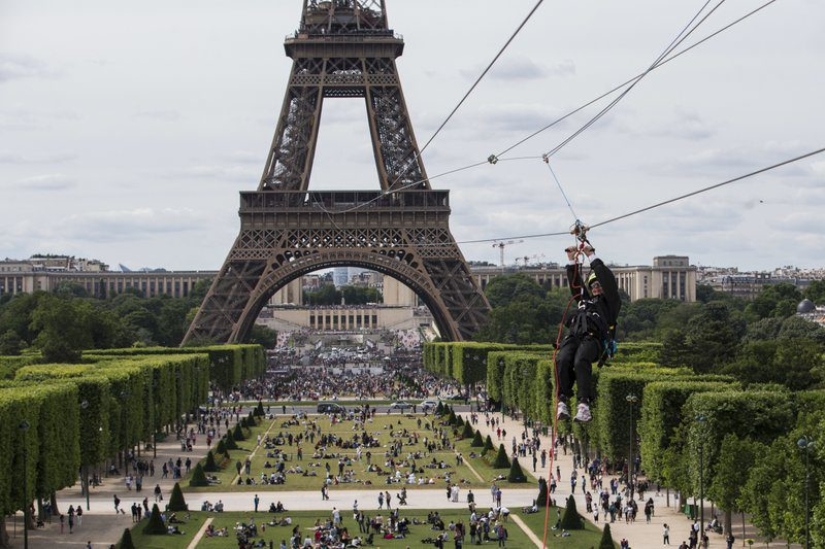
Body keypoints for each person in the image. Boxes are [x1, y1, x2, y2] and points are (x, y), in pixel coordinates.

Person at [555, 244, 621, 423]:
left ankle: (584, 404)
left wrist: (591, 256)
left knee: (581, 360)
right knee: (562, 360)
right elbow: (575, 285)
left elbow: (607, 280)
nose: (597, 288)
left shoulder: (611, 303)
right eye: (594, 285)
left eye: (600, 285)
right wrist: (571, 260)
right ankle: (563, 400)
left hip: (593, 338)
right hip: (574, 337)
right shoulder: (584, 300)